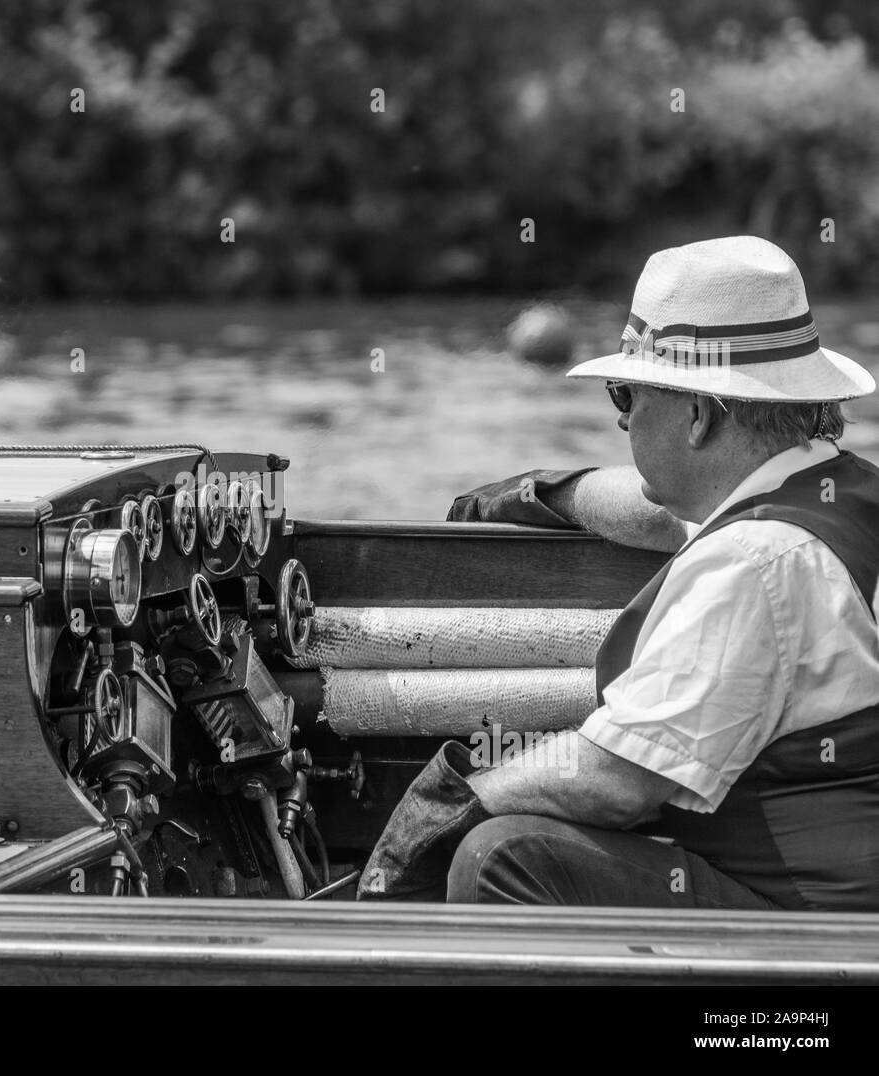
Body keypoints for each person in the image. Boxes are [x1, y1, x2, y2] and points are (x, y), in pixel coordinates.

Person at [357, 235, 879, 910]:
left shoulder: (755, 565)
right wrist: (543, 492)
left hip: (812, 938)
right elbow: (656, 510)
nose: (620, 418)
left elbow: (616, 779)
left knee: (502, 856)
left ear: (696, 416)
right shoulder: (833, 494)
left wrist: (452, 802)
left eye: (627, 394)